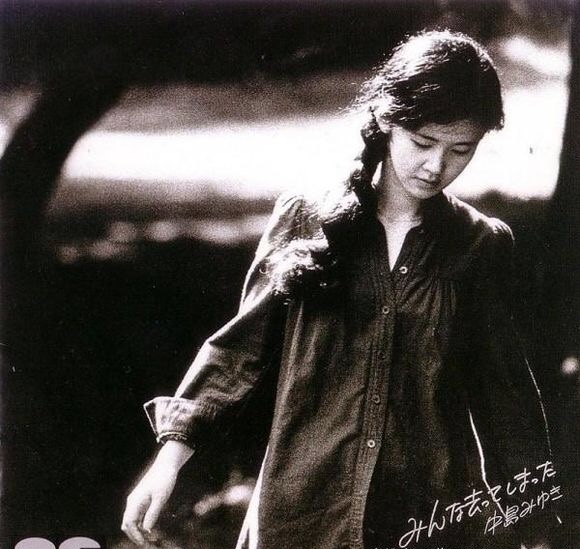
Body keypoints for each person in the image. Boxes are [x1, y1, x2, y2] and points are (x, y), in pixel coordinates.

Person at [122, 30, 558, 549]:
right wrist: (168, 460)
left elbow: (506, 402)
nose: (436, 166)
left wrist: (536, 528)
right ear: (387, 121)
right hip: (300, 520)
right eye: (423, 142)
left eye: (460, 149)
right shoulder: (305, 218)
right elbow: (240, 352)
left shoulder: (480, 246)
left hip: (426, 526)